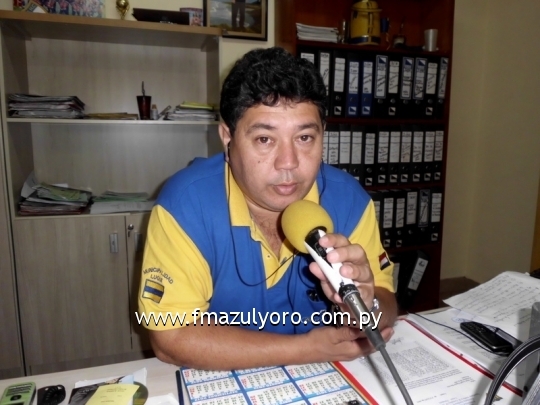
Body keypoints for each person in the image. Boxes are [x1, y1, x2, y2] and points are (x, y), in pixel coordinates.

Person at [138, 47, 397, 371]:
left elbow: (386, 303)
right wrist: (306, 349)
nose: (288, 163)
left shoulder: (350, 201)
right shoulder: (186, 206)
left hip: (328, 376)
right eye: (264, 139)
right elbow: (170, 337)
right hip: (224, 379)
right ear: (228, 138)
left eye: (305, 138)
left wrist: (366, 305)